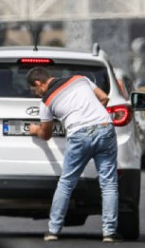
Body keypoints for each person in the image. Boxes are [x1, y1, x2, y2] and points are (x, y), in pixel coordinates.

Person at [26, 66, 121, 243]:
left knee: (67, 183)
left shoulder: (47, 101)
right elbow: (105, 98)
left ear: (39, 83)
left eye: (35, 90)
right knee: (108, 184)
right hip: (104, 128)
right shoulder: (80, 78)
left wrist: (34, 130)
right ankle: (109, 233)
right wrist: (91, 116)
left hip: (79, 136)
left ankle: (53, 230)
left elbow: (46, 134)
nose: (36, 93)